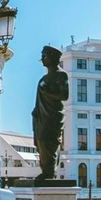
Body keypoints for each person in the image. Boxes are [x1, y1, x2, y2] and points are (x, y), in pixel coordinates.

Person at [32, 45, 69, 180]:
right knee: (41, 141)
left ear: (53, 58)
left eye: (44, 56)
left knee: (50, 141)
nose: (42, 59)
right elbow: (38, 100)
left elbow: (64, 95)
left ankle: (49, 173)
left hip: (53, 116)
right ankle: (46, 171)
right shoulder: (43, 79)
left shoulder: (61, 75)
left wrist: (48, 92)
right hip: (41, 115)